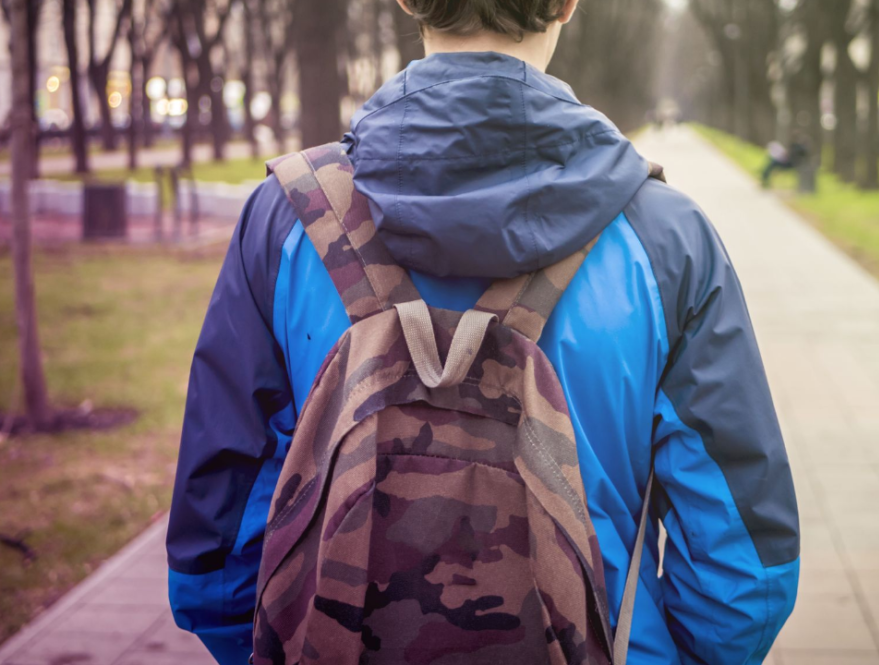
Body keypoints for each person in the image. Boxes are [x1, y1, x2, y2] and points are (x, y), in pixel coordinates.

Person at [166, 1, 800, 663]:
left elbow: (212, 547)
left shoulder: (286, 222)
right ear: (565, 3)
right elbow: (745, 571)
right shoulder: (667, 241)